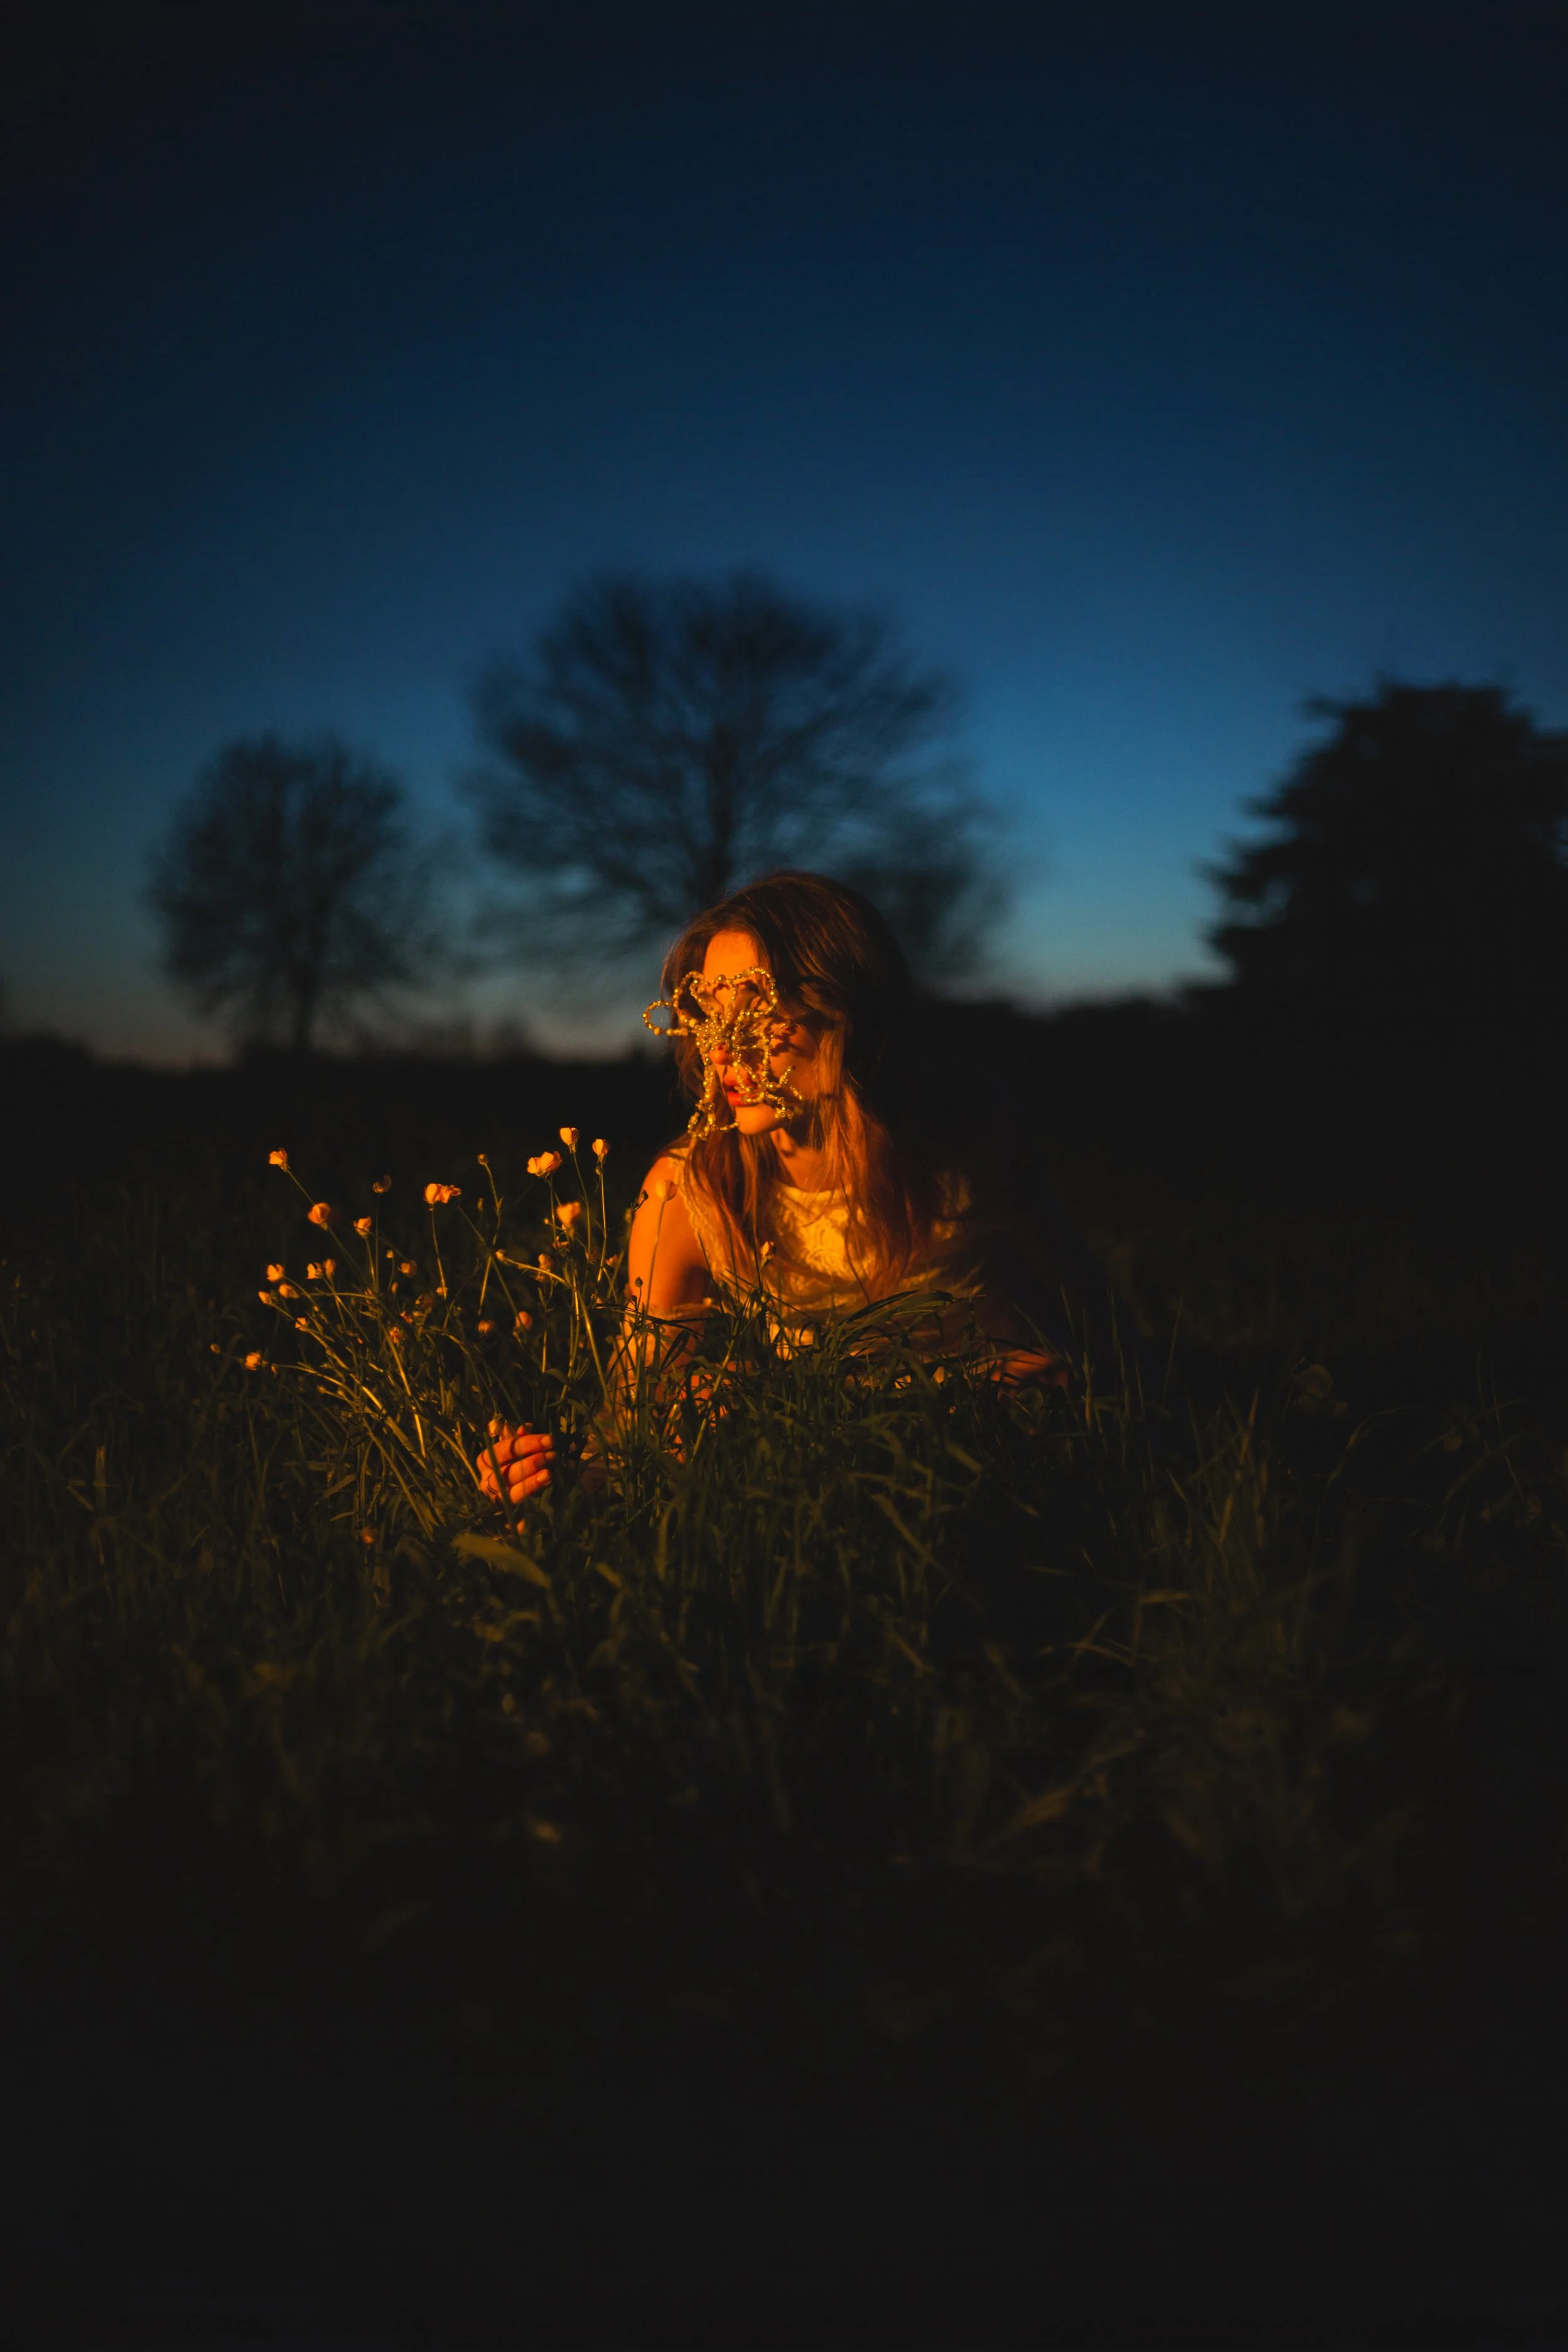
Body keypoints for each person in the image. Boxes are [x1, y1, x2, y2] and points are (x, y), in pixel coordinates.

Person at [478, 871, 1118, 1519]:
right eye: (710, 1015)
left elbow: (1089, 1309)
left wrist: (1107, 1401)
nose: (724, 1052)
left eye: (757, 1011)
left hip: (1012, 1455)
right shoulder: (693, 1188)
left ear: (847, 1011)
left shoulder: (967, 1134)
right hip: (831, 1476)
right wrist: (554, 1472)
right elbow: (638, 1409)